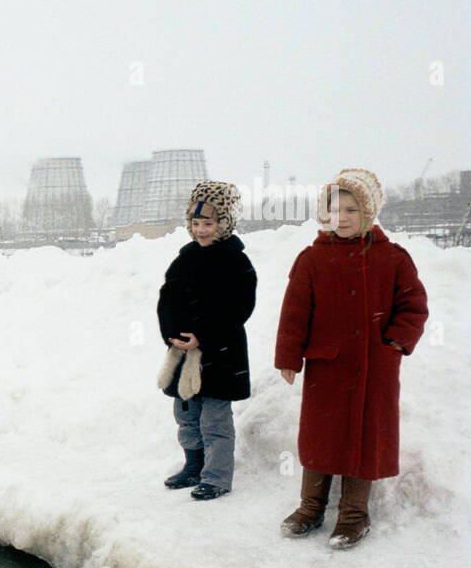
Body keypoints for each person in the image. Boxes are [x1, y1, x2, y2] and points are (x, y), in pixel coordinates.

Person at [275, 168, 427, 548]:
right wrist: (289, 357)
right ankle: (311, 508)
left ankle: (355, 515)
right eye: (334, 210)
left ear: (370, 212)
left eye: (350, 210)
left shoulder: (392, 258)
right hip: (328, 366)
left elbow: (414, 306)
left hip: (375, 369)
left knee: (365, 439)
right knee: (320, 437)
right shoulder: (311, 259)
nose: (340, 218)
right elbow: (295, 314)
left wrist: (394, 343)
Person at [156, 181, 257, 500]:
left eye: (208, 223)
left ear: (224, 223)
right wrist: (172, 333)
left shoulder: (235, 262)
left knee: (214, 419)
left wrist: (203, 335)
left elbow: (239, 307)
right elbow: (166, 298)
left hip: (220, 354)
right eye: (196, 223)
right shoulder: (184, 259)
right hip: (183, 355)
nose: (201, 230)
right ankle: (194, 466)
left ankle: (216, 476)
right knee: (186, 416)